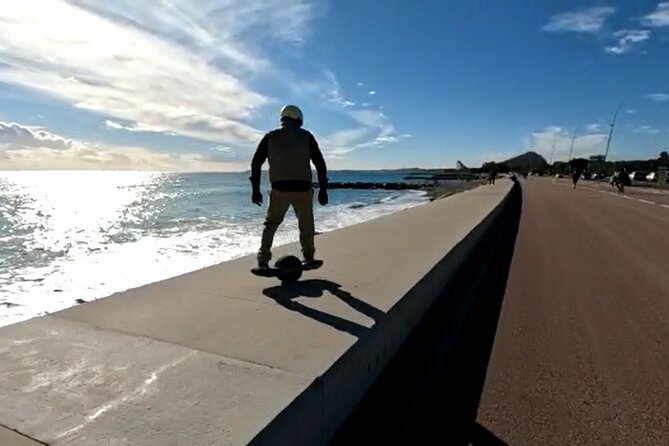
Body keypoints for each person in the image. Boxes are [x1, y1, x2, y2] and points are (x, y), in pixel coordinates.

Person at [250, 105, 328, 270]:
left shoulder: (270, 136)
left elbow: (256, 163)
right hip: (303, 189)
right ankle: (309, 257)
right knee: (306, 224)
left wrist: (255, 190)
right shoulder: (307, 136)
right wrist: (323, 190)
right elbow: (320, 164)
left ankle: (263, 261)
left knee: (271, 224)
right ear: (298, 118)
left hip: (279, 189)